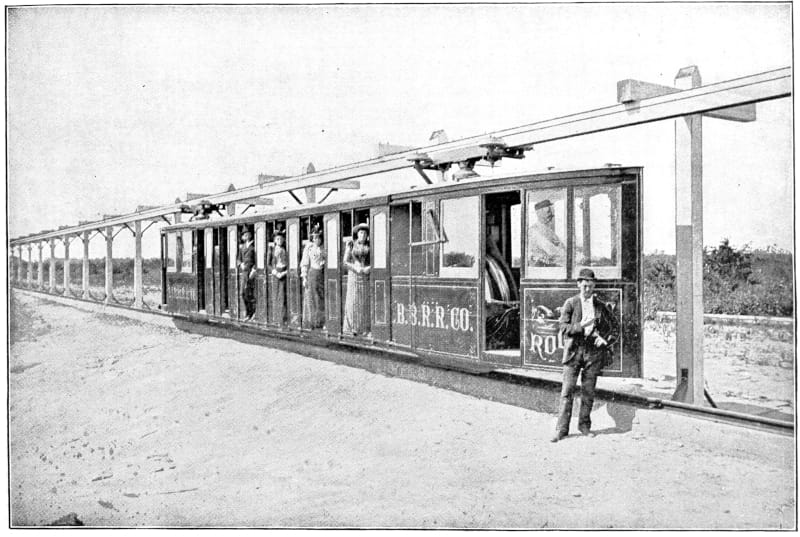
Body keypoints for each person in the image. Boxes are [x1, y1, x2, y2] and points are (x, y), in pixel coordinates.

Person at [552, 268, 619, 442]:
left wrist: (604, 339)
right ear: (578, 285)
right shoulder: (571, 303)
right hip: (574, 351)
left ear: (594, 285)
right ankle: (561, 430)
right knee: (567, 392)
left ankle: (584, 426)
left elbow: (615, 327)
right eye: (584, 286)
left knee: (588, 392)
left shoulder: (600, 306)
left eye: (590, 286)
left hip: (593, 353)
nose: (588, 290)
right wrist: (580, 326)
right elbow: (563, 327)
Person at [342, 223, 370, 336]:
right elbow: (345, 262)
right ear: (357, 234)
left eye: (365, 233)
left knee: (363, 302)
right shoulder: (351, 245)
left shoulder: (370, 246)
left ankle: (363, 329)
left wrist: (369, 268)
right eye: (361, 233)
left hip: (365, 276)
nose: (362, 235)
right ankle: (351, 328)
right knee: (353, 302)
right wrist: (354, 268)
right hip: (354, 276)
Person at [300, 224, 326, 329]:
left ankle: (321, 321)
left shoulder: (324, 248)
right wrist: (304, 277)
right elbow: (305, 262)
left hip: (322, 275)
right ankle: (312, 322)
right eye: (314, 237)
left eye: (318, 237)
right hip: (312, 274)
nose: (316, 240)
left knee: (321, 298)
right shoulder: (309, 247)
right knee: (311, 298)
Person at [528, 199, 566, 267]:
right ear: (539, 213)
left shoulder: (549, 231)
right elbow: (552, 251)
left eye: (551, 211)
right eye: (548, 212)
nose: (551, 214)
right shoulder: (534, 231)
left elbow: (562, 247)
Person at [269, 228, 288, 325]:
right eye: (277, 239)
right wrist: (275, 272)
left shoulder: (285, 250)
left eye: (281, 239)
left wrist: (285, 272)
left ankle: (282, 318)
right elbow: (268, 264)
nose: (279, 241)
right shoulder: (272, 250)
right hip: (276, 274)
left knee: (283, 296)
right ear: (274, 241)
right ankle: (276, 318)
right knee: (276, 296)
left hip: (283, 272)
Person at [237, 230, 257, 321]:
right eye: (244, 234)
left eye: (247, 234)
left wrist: (254, 269)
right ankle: (248, 312)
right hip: (244, 272)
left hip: (252, 272)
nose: (246, 236)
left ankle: (253, 313)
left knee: (251, 293)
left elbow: (259, 258)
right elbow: (238, 259)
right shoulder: (242, 247)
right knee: (243, 293)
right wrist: (241, 264)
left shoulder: (254, 245)